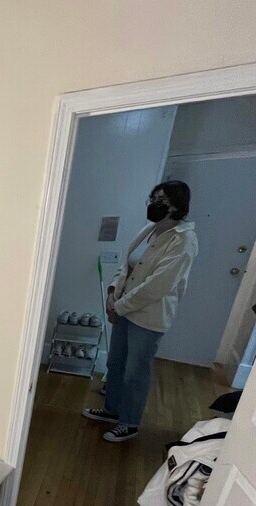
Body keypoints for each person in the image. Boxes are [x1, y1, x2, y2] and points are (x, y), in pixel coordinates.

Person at [83, 181, 198, 442]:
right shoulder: (150, 229)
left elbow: (158, 285)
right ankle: (112, 410)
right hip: (124, 308)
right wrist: (112, 292)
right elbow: (127, 264)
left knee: (135, 371)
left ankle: (129, 422)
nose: (154, 204)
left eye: (162, 201)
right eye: (152, 198)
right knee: (115, 363)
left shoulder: (184, 240)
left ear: (177, 206)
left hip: (148, 317)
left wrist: (119, 306)